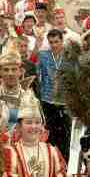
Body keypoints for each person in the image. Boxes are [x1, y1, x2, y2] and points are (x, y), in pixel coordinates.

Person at [37, 28, 72, 162]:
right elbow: (37, 74)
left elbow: (75, 77)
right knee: (48, 135)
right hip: (47, 101)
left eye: (56, 42)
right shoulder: (43, 55)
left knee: (64, 136)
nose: (54, 45)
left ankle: (64, 165)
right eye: (51, 42)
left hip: (65, 102)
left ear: (62, 41)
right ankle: (48, 163)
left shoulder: (70, 56)